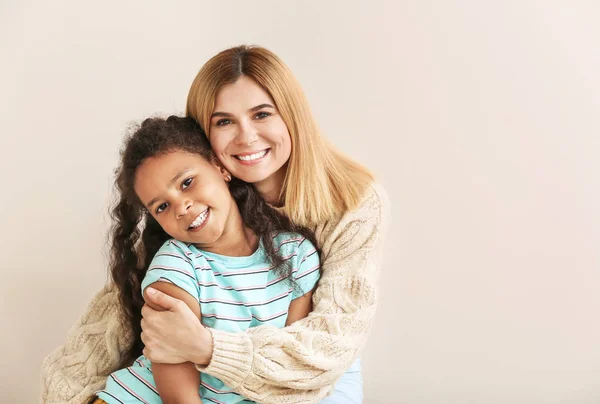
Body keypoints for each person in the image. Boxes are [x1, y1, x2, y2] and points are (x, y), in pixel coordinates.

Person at [42, 45, 389, 404]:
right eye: (224, 121)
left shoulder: (350, 205)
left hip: (311, 364)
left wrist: (204, 345)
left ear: (292, 114)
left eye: (262, 114)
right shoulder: (185, 234)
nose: (246, 137)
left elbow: (333, 344)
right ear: (207, 144)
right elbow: (112, 329)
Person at [91, 116, 321, 404]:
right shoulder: (175, 266)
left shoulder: (295, 256)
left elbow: (288, 361)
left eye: (187, 183)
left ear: (219, 167)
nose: (181, 207)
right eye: (162, 206)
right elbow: (179, 392)